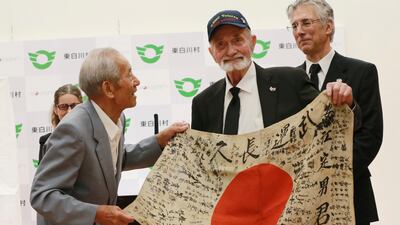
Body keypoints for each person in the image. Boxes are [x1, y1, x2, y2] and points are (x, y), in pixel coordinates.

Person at [30, 47, 189, 225]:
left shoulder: (116, 117)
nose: (137, 81)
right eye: (129, 75)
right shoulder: (73, 130)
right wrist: (96, 213)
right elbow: (42, 195)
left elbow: (113, 160)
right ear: (108, 88)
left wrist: (158, 142)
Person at [286, 1, 383, 224]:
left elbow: (370, 137)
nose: (299, 31)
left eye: (306, 23)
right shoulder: (288, 80)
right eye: (294, 26)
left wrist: (331, 172)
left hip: (349, 194)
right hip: (303, 204)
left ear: (328, 27)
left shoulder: (362, 72)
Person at [192, 9, 357, 135]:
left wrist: (347, 103)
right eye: (220, 44)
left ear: (253, 43)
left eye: (237, 40)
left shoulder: (290, 82)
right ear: (212, 53)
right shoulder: (203, 103)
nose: (231, 50)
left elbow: (333, 124)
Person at [38, 84, 83, 163]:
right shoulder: (45, 141)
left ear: (82, 107)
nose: (69, 111)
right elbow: (44, 175)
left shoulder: (93, 138)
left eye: (74, 106)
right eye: (63, 107)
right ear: (56, 110)